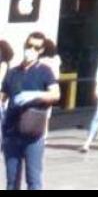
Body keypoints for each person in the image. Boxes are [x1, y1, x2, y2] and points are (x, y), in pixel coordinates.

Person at [1, 32, 60, 190]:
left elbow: (56, 94)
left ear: (41, 51)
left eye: (36, 47)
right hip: (11, 132)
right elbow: (3, 96)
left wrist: (36, 95)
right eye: (29, 46)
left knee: (33, 181)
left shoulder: (44, 71)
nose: (31, 49)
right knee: (12, 181)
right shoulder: (13, 73)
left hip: (33, 134)